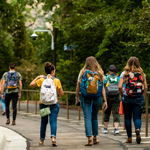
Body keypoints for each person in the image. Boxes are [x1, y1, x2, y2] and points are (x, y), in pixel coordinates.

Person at [75, 56, 107, 146]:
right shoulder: (100, 73)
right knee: (95, 117)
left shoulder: (82, 72)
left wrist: (77, 98)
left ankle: (89, 139)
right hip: (97, 98)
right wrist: (105, 101)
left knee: (87, 117)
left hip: (85, 97)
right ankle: (95, 138)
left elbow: (78, 87)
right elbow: (103, 89)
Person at [30, 62, 63, 146]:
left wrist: (38, 77)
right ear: (52, 71)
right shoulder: (56, 80)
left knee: (44, 122)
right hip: (53, 104)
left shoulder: (42, 80)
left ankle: (41, 140)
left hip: (43, 104)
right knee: (53, 121)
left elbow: (31, 85)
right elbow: (61, 94)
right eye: (54, 70)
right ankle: (53, 138)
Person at [118, 56, 147, 144]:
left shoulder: (124, 73)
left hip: (127, 98)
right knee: (137, 117)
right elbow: (145, 87)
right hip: (138, 97)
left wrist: (122, 95)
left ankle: (129, 138)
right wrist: (143, 96)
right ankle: (137, 129)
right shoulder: (142, 74)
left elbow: (119, 86)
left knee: (127, 117)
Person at [102, 65, 120, 134]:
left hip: (107, 96)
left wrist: (104, 100)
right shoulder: (118, 78)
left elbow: (103, 88)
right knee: (116, 112)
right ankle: (116, 129)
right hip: (116, 96)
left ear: (108, 71)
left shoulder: (106, 78)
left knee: (106, 112)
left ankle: (105, 128)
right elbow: (121, 87)